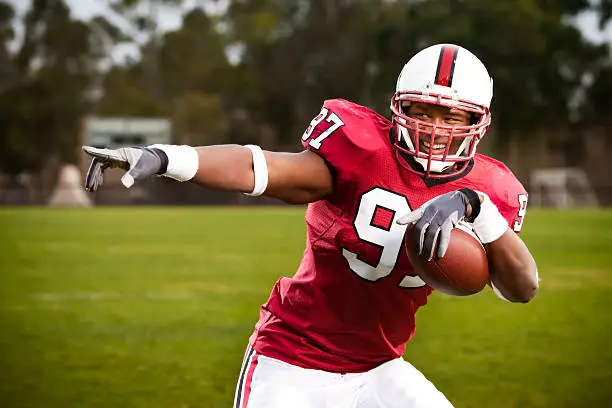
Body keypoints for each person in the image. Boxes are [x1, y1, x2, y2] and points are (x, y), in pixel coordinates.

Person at [83, 43, 539, 408]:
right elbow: (259, 168)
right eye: (422, 111)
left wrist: (478, 207)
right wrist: (167, 157)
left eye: (451, 116)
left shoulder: (488, 188)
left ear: (478, 122)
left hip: (379, 367)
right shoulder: (362, 151)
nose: (434, 129)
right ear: (399, 109)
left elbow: (522, 288)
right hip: (292, 363)